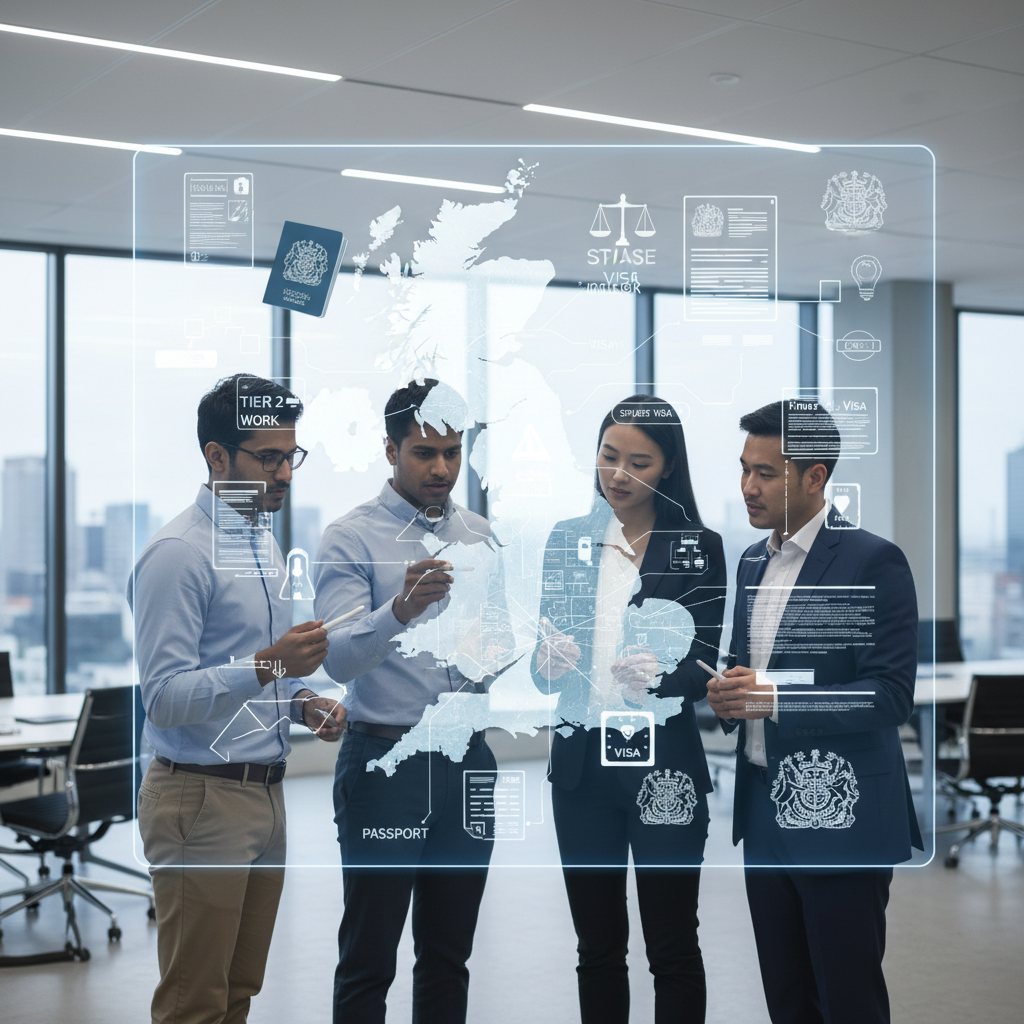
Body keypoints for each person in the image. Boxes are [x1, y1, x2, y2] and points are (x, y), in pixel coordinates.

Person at [130, 373, 346, 1024]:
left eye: (291, 456)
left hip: (265, 794)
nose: (285, 472)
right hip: (200, 799)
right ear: (217, 456)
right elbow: (164, 698)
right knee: (195, 1003)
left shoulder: (261, 541)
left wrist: (303, 696)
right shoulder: (177, 555)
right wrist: (272, 663)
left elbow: (261, 668)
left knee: (238, 992)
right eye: (269, 457)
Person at [706, 399, 923, 1024]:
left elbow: (888, 694)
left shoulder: (872, 561)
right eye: (744, 469)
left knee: (847, 1000)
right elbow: (744, 666)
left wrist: (775, 697)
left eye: (766, 473)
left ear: (815, 477)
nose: (748, 486)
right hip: (764, 813)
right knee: (787, 1000)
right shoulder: (752, 561)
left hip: (841, 813)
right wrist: (726, 695)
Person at [313, 378, 507, 1024]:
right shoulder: (349, 538)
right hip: (385, 764)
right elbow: (337, 658)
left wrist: (499, 645)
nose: (443, 469)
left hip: (469, 762)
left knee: (449, 956)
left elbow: (498, 647)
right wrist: (400, 610)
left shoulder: (479, 534)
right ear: (391, 449)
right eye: (426, 453)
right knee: (370, 960)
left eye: (453, 452)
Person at [532, 393, 727, 1024]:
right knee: (597, 950)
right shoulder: (568, 541)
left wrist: (663, 675)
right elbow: (541, 669)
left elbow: (703, 668)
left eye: (637, 462)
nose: (617, 474)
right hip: (584, 772)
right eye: (608, 456)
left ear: (668, 467)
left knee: (672, 946)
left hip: (664, 769)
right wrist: (550, 661)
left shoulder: (699, 545)